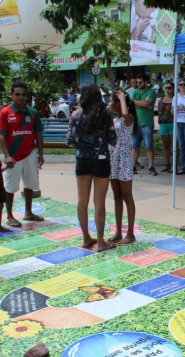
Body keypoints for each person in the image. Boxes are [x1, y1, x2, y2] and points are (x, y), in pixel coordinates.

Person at [67, 83, 117, 253]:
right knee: (99, 202)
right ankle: (101, 241)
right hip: (101, 160)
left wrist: (83, 146)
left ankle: (86, 238)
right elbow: (113, 139)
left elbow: (70, 140)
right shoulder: (105, 114)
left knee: (82, 201)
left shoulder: (75, 115)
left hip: (82, 159)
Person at [0, 82, 45, 227]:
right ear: (11, 95)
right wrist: (7, 155)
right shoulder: (5, 112)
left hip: (30, 153)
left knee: (29, 184)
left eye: (23, 94)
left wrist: (40, 154)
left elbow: (38, 134)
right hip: (13, 156)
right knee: (10, 186)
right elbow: (1, 136)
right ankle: (10, 215)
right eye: (17, 94)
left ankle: (28, 212)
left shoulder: (33, 113)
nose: (20, 97)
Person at [109, 90, 138, 245]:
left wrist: (121, 98)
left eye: (111, 100)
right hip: (114, 159)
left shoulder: (128, 118)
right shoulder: (115, 119)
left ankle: (131, 233)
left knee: (128, 197)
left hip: (124, 160)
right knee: (117, 197)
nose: (109, 103)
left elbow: (126, 114)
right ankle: (118, 231)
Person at [131, 74, 158, 175]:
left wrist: (137, 103)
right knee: (134, 146)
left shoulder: (151, 92)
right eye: (137, 82)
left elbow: (147, 103)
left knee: (149, 146)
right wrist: (144, 105)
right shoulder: (135, 91)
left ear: (146, 82)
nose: (138, 84)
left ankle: (151, 167)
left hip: (147, 123)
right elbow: (131, 104)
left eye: (140, 82)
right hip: (136, 123)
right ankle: (133, 167)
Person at [158, 82, 174, 173]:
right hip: (163, 124)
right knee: (166, 146)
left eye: (170, 88)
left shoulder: (176, 99)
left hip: (172, 123)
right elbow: (159, 111)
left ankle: (174, 166)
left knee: (174, 146)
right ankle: (167, 165)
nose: (168, 90)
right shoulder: (161, 99)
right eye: (166, 88)